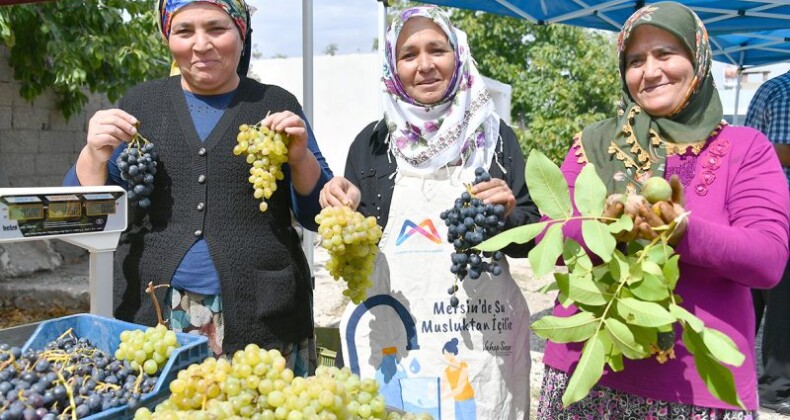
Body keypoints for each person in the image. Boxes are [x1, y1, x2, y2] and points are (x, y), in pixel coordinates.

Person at [536, 2, 790, 418]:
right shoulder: (595, 144)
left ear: (698, 58)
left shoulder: (746, 149)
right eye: (635, 60)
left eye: (666, 54)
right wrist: (608, 224)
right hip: (587, 372)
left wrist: (682, 232)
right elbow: (552, 235)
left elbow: (767, 259)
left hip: (697, 392)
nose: (649, 71)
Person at [63, 0, 332, 372]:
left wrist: (300, 159)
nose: (200, 44)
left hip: (264, 316)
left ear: (241, 32)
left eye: (216, 29)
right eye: (184, 31)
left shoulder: (275, 104)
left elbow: (319, 214)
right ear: (166, 37)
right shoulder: (141, 102)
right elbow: (85, 215)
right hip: (155, 314)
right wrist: (93, 154)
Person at [319, 6, 539, 419]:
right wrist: (342, 208)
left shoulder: (495, 139)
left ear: (458, 54)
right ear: (391, 65)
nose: (425, 65)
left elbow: (532, 240)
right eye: (408, 55)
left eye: (437, 49)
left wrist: (509, 215)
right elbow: (356, 247)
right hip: (397, 340)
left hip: (480, 343)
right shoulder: (372, 144)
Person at [745, 69, 790, 414]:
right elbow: (766, 151)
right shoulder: (780, 91)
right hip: (774, 215)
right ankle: (774, 389)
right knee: (778, 305)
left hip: (760, 214)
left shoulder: (770, 89)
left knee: (761, 303)